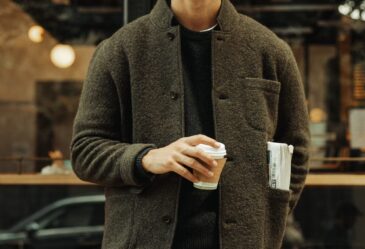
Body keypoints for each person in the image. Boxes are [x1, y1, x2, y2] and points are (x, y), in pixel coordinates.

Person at [70, 0, 310, 248]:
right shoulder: (120, 50)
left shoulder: (270, 51)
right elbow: (85, 151)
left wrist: (266, 214)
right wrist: (147, 158)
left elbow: (297, 152)